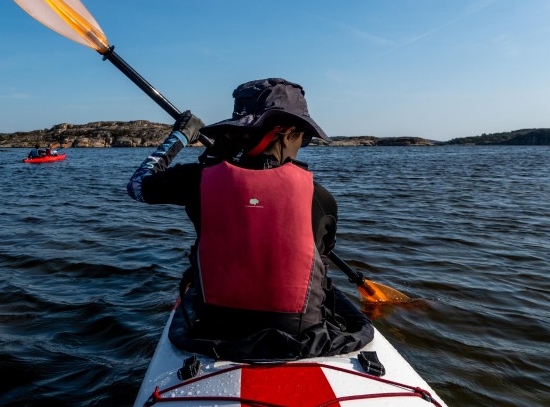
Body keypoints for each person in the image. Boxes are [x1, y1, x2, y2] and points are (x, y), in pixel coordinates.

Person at [126, 78, 372, 360]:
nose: (302, 145)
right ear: (285, 132)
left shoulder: (198, 178)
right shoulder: (322, 199)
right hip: (301, 334)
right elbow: (322, 251)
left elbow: (137, 185)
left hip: (215, 327)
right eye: (303, 137)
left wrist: (180, 137)